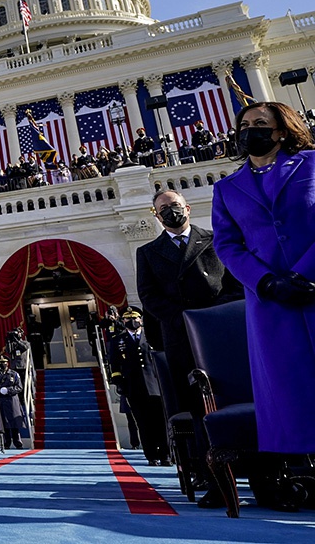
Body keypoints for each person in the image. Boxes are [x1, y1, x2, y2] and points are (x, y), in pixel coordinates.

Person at [211, 101, 315, 456]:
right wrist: (267, 282)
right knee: (290, 388)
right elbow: (227, 245)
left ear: (281, 131)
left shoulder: (312, 164)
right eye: (243, 125)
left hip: (312, 286)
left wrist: (303, 273)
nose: (249, 130)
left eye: (259, 123)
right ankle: (302, 464)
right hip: (271, 303)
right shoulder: (226, 189)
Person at [136, 189, 242, 506]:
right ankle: (215, 482)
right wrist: (183, 317)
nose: (171, 212)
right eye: (164, 209)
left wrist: (213, 316)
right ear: (155, 216)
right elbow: (149, 297)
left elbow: (234, 284)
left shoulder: (214, 239)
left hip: (222, 335)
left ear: (188, 207)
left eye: (175, 206)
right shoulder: (148, 252)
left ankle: (264, 477)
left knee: (237, 399)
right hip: (182, 339)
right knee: (200, 411)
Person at [108, 308, 170, 466]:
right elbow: (114, 364)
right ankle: (151, 455)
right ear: (123, 321)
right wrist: (119, 383)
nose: (132, 322)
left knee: (160, 422)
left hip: (155, 386)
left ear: (141, 320)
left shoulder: (152, 336)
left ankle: (165, 454)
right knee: (143, 423)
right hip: (133, 388)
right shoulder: (118, 340)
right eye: (128, 319)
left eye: (134, 318)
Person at [0, 355, 24, 448]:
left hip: (11, 400)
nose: (2, 364)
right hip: (1, 400)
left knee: (14, 421)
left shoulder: (13, 374)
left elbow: (19, 387)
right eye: (0, 363)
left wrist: (8, 390)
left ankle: (17, 442)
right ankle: (7, 442)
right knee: (4, 422)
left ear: (7, 363)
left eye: (4, 362)